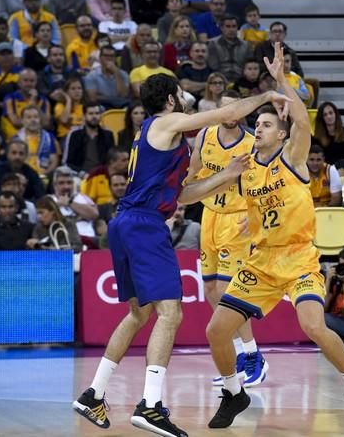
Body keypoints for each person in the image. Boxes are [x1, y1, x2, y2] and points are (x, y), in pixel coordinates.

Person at [72, 73, 292, 435]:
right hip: (143, 225)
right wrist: (268, 93)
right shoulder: (166, 121)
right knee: (171, 314)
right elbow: (227, 113)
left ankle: (93, 394)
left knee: (138, 314)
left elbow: (183, 196)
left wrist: (229, 174)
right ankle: (151, 406)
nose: (184, 96)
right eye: (180, 91)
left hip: (127, 222)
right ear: (171, 99)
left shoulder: (158, 134)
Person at [205, 44, 344, 430]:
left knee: (314, 326)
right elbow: (253, 208)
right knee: (216, 330)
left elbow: (302, 120)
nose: (259, 129)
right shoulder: (247, 169)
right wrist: (252, 226)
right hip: (262, 262)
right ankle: (235, 393)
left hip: (299, 257)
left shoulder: (293, 157)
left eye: (266, 125)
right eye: (258, 125)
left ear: (281, 133)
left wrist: (282, 80)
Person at [185, 90, 268, 388]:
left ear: (244, 112)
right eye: (225, 109)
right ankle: (232, 359)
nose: (230, 114)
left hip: (237, 220)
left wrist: (257, 216)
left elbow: (265, 183)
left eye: (236, 109)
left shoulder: (251, 144)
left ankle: (254, 354)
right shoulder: (205, 135)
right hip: (209, 216)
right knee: (210, 289)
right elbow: (193, 172)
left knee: (226, 290)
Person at [312, 102, 344, 170]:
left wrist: (340, 163)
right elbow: (317, 160)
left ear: (335, 114)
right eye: (325, 115)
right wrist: (341, 162)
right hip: (324, 170)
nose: (329, 117)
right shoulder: (316, 138)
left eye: (331, 113)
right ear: (322, 118)